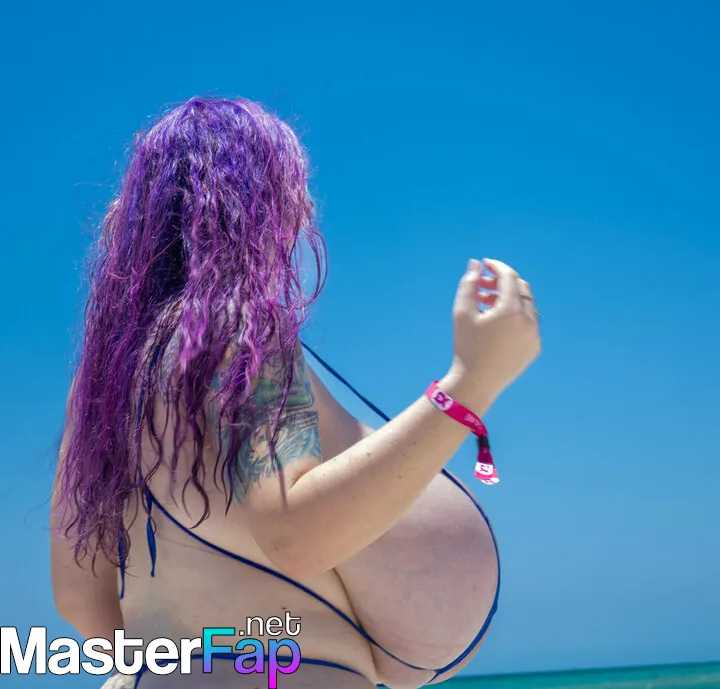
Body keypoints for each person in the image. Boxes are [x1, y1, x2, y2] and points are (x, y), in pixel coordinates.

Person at [51, 96, 541, 689]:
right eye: (293, 191)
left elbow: (78, 596)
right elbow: (294, 532)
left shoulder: (103, 379)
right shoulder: (240, 328)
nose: (306, 210)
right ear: (252, 204)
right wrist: (472, 382)